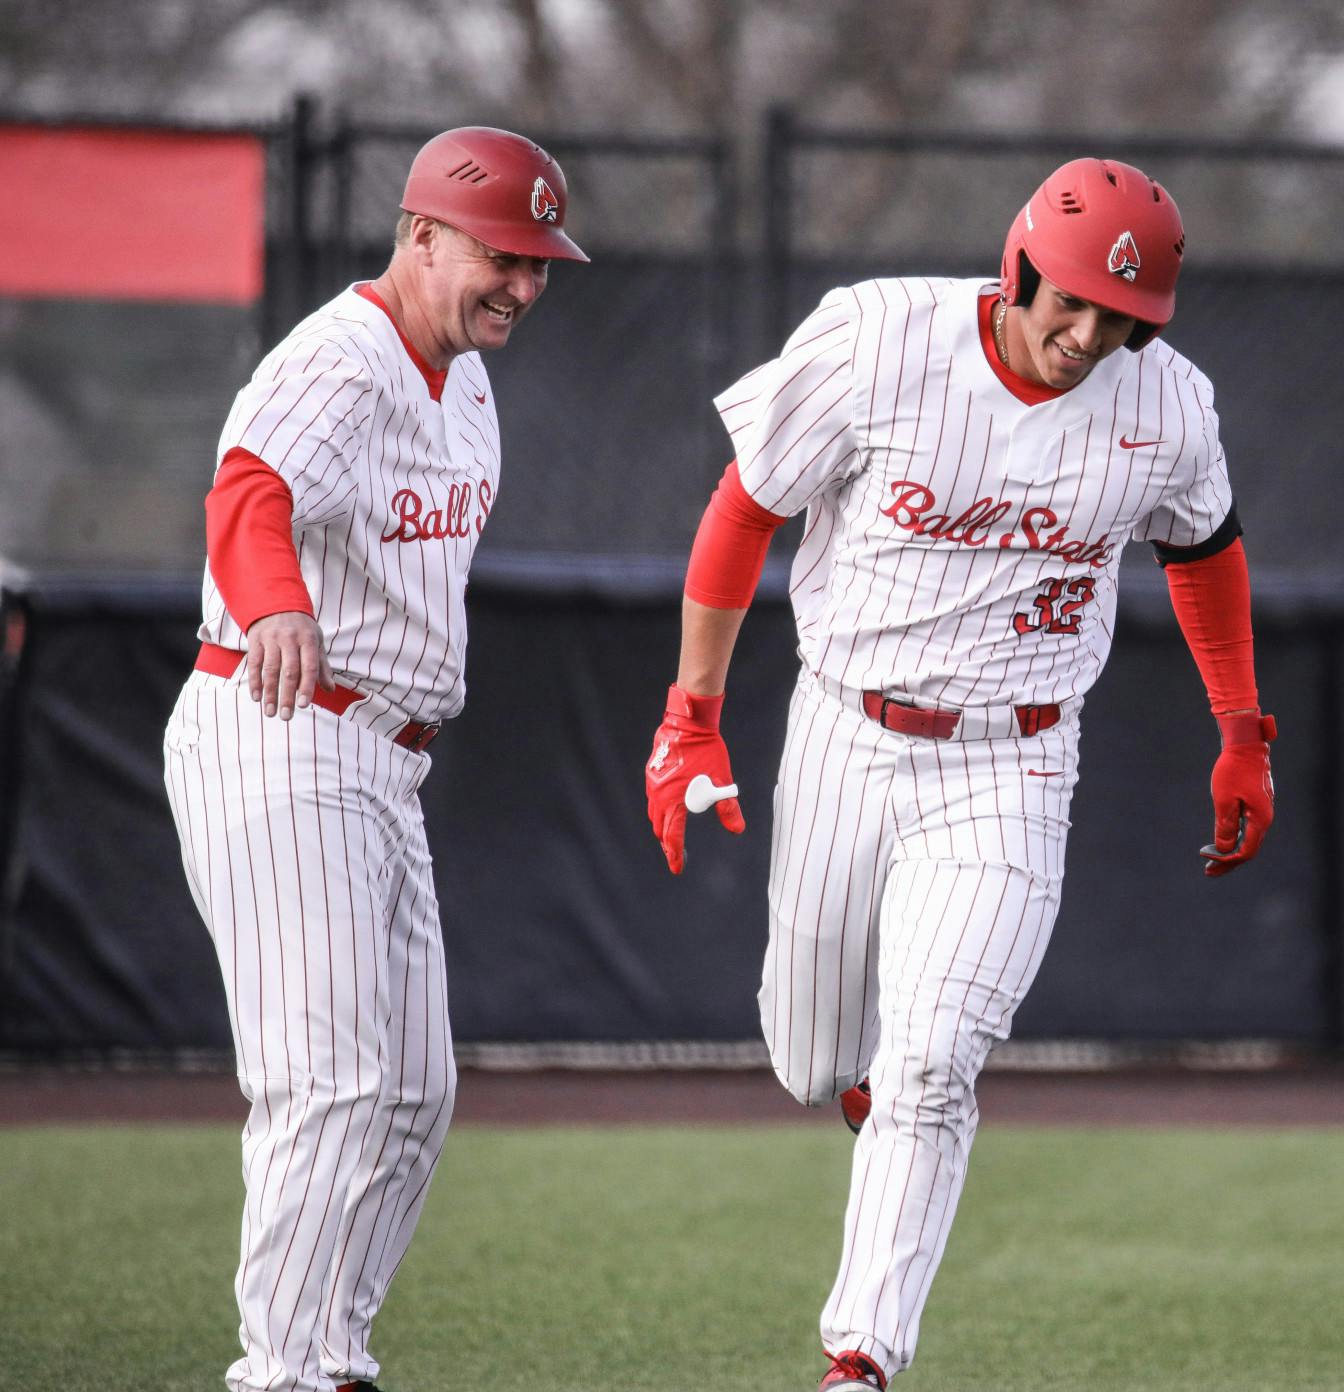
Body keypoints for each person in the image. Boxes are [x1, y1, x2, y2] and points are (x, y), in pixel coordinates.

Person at [643, 158, 1278, 1390]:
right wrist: (690, 715)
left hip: (1017, 758)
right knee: (810, 1059)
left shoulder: (1168, 405)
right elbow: (743, 507)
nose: (1089, 335)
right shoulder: (877, 339)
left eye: (1121, 318)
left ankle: (859, 1359)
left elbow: (1205, 550)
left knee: (933, 1062)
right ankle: (856, 1090)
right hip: (843, 729)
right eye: (1072, 299)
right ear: (1018, 265)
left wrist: (1241, 730)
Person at [161, 127, 586, 1392]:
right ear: (421, 236)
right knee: (332, 1081)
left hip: (381, 759)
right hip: (285, 722)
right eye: (502, 255)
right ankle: (281, 1370)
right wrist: (276, 600)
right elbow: (248, 492)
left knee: (411, 1094)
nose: (522, 283)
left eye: (540, 262)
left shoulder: (462, 376)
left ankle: (328, 1351)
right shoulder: (341, 360)